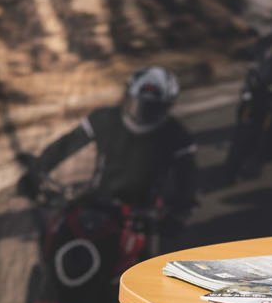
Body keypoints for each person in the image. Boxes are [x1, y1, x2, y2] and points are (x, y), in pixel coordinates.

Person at [21, 66, 198, 231]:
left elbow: (187, 179)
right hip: (97, 199)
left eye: (152, 107)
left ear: (166, 107)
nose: (142, 111)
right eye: (139, 103)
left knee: (141, 260)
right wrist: (37, 170)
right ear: (128, 96)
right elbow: (67, 144)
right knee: (56, 235)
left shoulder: (177, 135)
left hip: (142, 212)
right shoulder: (105, 118)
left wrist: (180, 212)